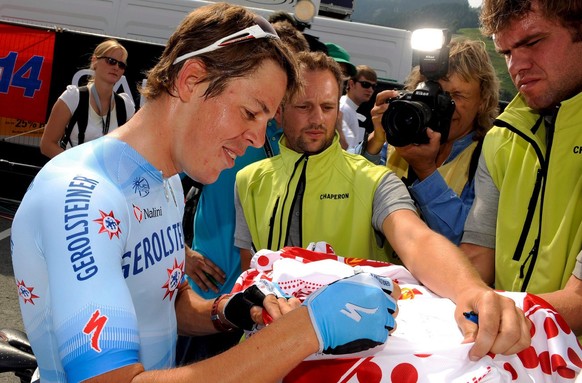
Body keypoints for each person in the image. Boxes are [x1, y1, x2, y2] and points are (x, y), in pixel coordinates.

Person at [10, 4, 402, 382]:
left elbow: (167, 303)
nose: (257, 138)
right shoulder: (83, 196)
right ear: (191, 80)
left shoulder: (166, 184)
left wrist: (229, 308)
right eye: (251, 112)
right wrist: (308, 329)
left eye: (268, 120)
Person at [234, 50, 531, 360]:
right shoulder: (248, 180)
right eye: (304, 106)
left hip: (347, 358)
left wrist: (470, 290)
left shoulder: (374, 179)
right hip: (263, 351)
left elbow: (417, 240)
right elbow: (252, 270)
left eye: (327, 107)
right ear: (279, 111)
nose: (317, 119)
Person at [176, 23, 309, 364]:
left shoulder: (295, 144)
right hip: (206, 300)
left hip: (267, 306)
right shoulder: (228, 128)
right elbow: (158, 186)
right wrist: (183, 253)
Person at [459, 0, 582, 335]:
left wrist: (490, 314)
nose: (517, 66)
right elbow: (477, 253)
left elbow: (580, 299)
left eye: (532, 42)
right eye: (506, 52)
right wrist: (463, 300)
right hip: (504, 353)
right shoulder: (501, 137)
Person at [365, 38, 500, 245]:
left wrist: (426, 172)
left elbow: (467, 242)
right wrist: (375, 142)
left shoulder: (486, 158)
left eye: (457, 95)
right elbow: (350, 198)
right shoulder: (399, 137)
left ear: (483, 101)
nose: (444, 105)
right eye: (436, 94)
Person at [40, 39, 135, 158]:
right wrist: (77, 167)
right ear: (95, 61)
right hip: (72, 173)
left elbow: (130, 151)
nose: (116, 67)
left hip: (103, 175)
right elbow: (47, 145)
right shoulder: (73, 97)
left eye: (121, 65)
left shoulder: (126, 106)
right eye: (111, 61)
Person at [340, 64, 378, 152]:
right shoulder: (343, 109)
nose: (370, 90)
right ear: (351, 84)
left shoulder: (348, 108)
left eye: (373, 86)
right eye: (365, 84)